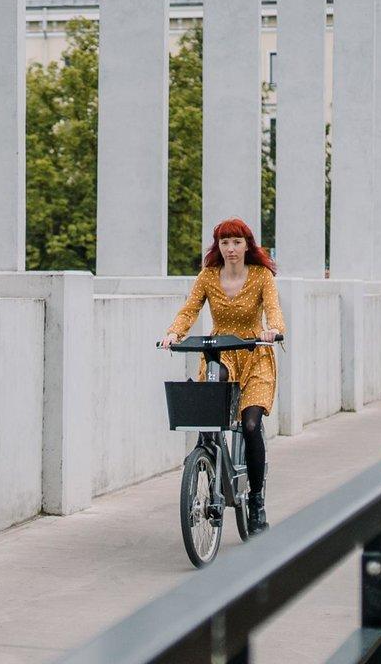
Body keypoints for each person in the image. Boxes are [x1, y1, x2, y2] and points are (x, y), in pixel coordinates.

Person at [162, 218, 286, 534]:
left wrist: (273, 330)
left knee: (250, 424)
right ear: (218, 246)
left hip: (254, 356)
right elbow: (189, 310)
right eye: (225, 242)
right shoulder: (207, 277)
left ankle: (256, 501)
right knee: (208, 425)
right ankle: (208, 471)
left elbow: (274, 310)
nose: (230, 249)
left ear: (248, 245)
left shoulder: (261, 277)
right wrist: (174, 333)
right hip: (220, 358)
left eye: (237, 242)